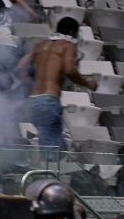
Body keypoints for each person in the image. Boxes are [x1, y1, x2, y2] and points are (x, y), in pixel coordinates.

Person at [16, 17, 99, 152]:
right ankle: (46, 171)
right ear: (72, 32)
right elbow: (69, 69)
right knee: (51, 151)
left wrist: (32, 84)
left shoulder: (41, 45)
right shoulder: (67, 46)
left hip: (33, 102)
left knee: (59, 148)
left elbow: (20, 67)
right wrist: (88, 83)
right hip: (48, 101)